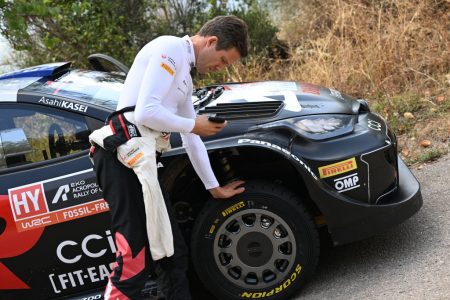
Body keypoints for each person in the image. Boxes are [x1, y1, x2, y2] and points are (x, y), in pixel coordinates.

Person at [90, 15, 249, 299]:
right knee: (134, 261)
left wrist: (214, 187)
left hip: (142, 161)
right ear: (211, 41)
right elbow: (146, 112)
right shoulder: (171, 48)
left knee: (172, 255)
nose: (219, 68)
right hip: (121, 160)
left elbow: (192, 138)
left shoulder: (184, 76)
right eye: (223, 60)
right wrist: (193, 124)